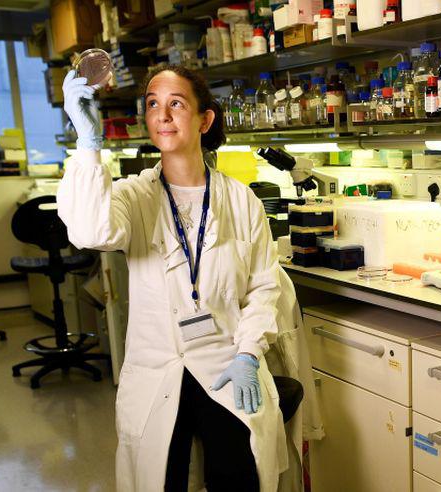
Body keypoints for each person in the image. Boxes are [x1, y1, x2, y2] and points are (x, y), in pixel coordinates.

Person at [58, 64, 289, 491]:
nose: (162, 115)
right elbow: (90, 231)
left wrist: (249, 354)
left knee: (238, 475)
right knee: (160, 478)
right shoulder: (133, 195)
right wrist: (88, 143)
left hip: (225, 364)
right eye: (152, 104)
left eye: (176, 104)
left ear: (204, 119)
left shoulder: (242, 201)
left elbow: (263, 287)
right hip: (156, 369)